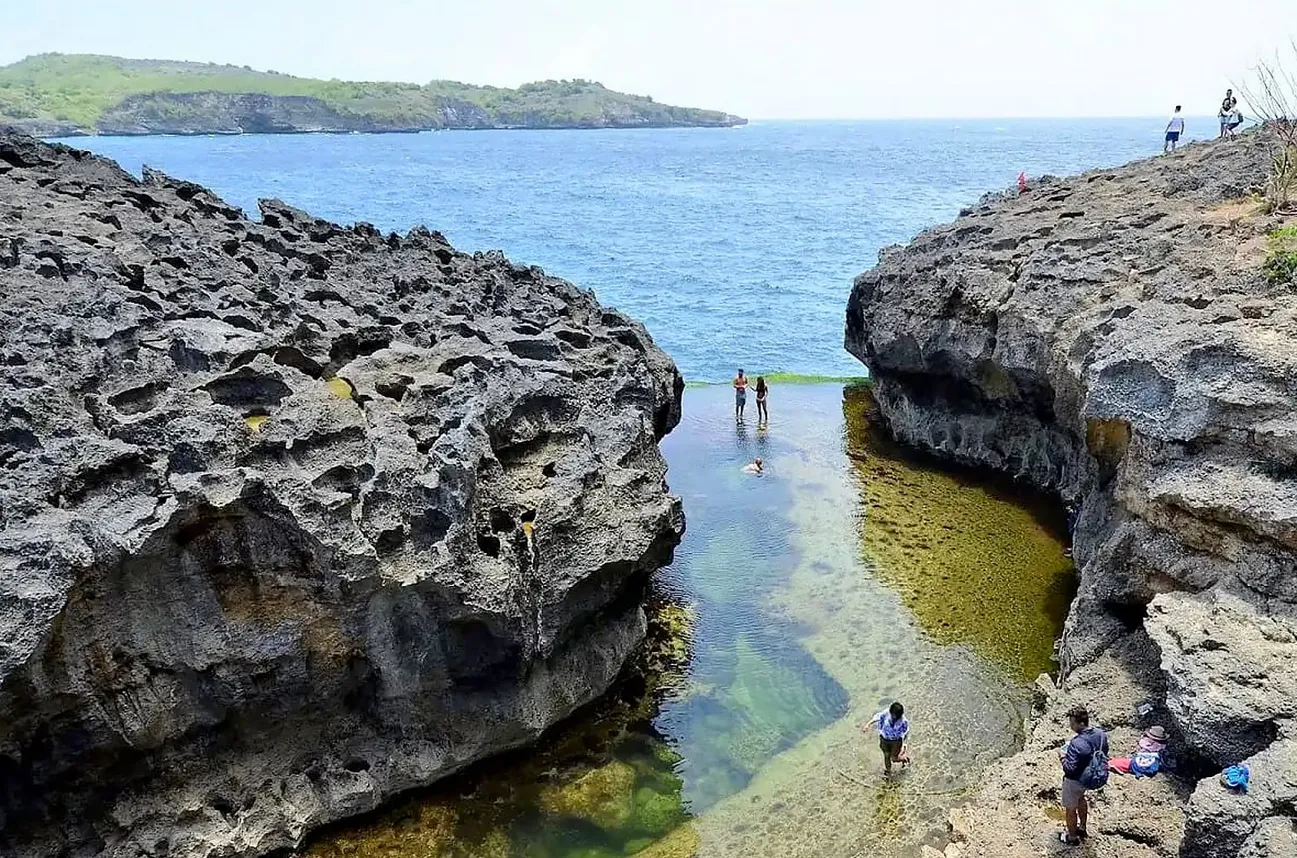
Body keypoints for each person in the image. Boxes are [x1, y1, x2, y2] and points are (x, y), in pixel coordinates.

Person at [1058, 705, 1109, 846]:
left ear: (1081, 723)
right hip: (1093, 776)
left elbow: (1069, 769)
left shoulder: (1076, 743)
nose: (1070, 725)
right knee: (1081, 799)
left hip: (1076, 780)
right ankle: (1082, 828)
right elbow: (1104, 753)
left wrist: (1062, 757)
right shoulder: (1101, 734)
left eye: (1072, 723)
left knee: (1070, 809)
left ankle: (1072, 838)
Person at [864, 701, 910, 774]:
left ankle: (905, 759)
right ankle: (888, 771)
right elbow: (877, 717)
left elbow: (906, 733)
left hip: (896, 741)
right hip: (884, 739)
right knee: (886, 755)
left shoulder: (904, 721)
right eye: (893, 715)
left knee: (894, 758)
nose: (895, 718)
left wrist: (904, 743)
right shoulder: (886, 713)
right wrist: (868, 724)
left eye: (897, 717)